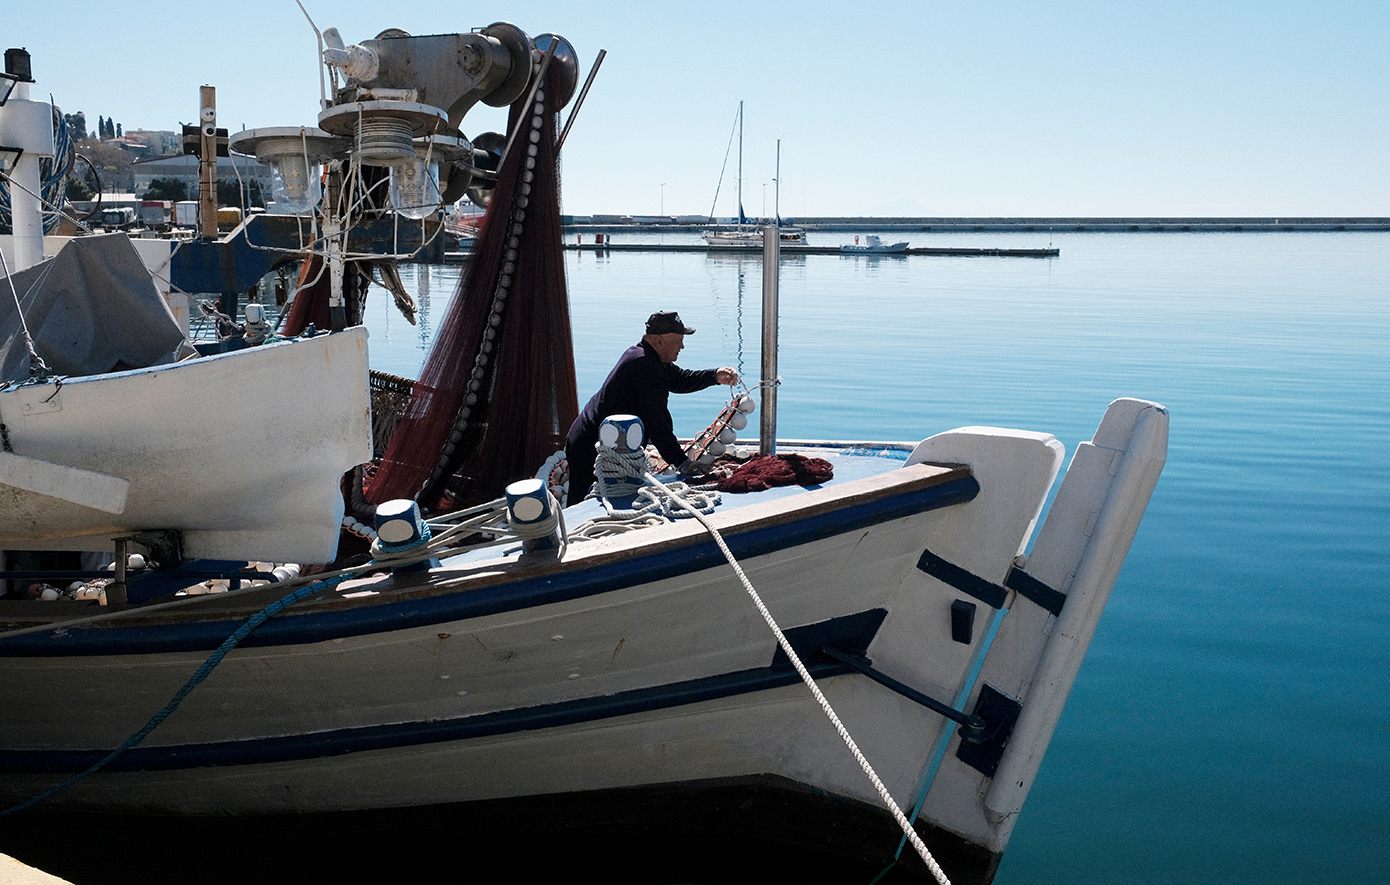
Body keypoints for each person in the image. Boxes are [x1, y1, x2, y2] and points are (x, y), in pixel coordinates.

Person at [565, 310, 739, 501]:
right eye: (677, 341)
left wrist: (714, 376)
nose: (682, 346)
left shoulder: (646, 356)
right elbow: (657, 424)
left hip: (597, 441)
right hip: (592, 447)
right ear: (659, 341)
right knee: (585, 503)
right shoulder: (645, 366)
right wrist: (683, 463)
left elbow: (679, 379)